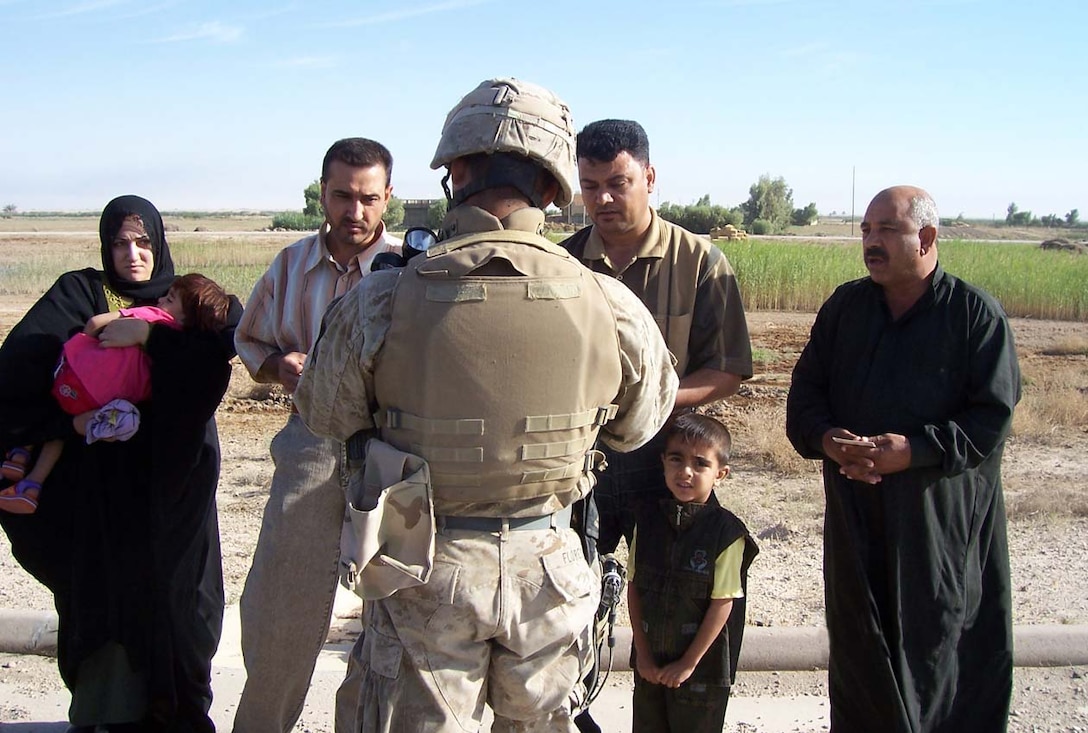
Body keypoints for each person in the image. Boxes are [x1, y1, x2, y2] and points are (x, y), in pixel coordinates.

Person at [294, 77, 678, 731]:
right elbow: (640, 426)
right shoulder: (608, 303)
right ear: (554, 188)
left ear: (456, 171)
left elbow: (327, 416)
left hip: (424, 569)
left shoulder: (380, 300)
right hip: (551, 570)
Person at [0, 194, 242, 732]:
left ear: (160, 244)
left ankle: (179, 716)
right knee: (103, 606)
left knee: (183, 605)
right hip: (102, 493)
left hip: (177, 486)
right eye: (119, 243)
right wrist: (71, 424)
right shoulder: (79, 293)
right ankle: (107, 717)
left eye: (143, 242)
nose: (132, 254)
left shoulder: (194, 295)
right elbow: (18, 371)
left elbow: (222, 350)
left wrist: (150, 336)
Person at [785, 185, 1021, 731]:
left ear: (927, 238)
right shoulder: (845, 308)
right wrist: (827, 441)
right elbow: (805, 396)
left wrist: (911, 452)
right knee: (860, 652)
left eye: (887, 230)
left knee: (939, 648)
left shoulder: (974, 316)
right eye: (867, 230)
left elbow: (991, 418)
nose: (871, 241)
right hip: (856, 516)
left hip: (938, 526)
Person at [232, 137, 401, 733]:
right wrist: (280, 367)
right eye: (341, 196)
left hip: (389, 453)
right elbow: (250, 339)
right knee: (283, 607)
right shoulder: (289, 266)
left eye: (367, 198)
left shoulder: (408, 272)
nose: (354, 212)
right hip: (309, 446)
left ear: (389, 199)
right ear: (322, 193)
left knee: (390, 613)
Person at [563, 118, 753, 557]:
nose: (603, 198)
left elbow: (728, 371)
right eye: (590, 186)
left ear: (649, 178)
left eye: (618, 182)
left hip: (667, 458)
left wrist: (653, 401)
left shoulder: (701, 261)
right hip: (582, 456)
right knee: (572, 597)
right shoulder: (563, 263)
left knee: (674, 595)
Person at [0, 273, 232, 514]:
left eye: (170, 298)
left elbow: (93, 324)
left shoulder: (150, 315)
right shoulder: (185, 342)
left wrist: (86, 341)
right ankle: (31, 485)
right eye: (121, 244)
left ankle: (20, 454)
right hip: (112, 406)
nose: (161, 299)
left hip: (78, 380)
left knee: (54, 406)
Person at [627, 412, 757, 733]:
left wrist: (688, 663)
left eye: (700, 464)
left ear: (720, 473)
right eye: (676, 459)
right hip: (651, 667)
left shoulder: (727, 533)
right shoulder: (647, 522)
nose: (686, 472)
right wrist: (643, 656)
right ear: (663, 463)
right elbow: (633, 588)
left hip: (702, 674)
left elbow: (722, 604)